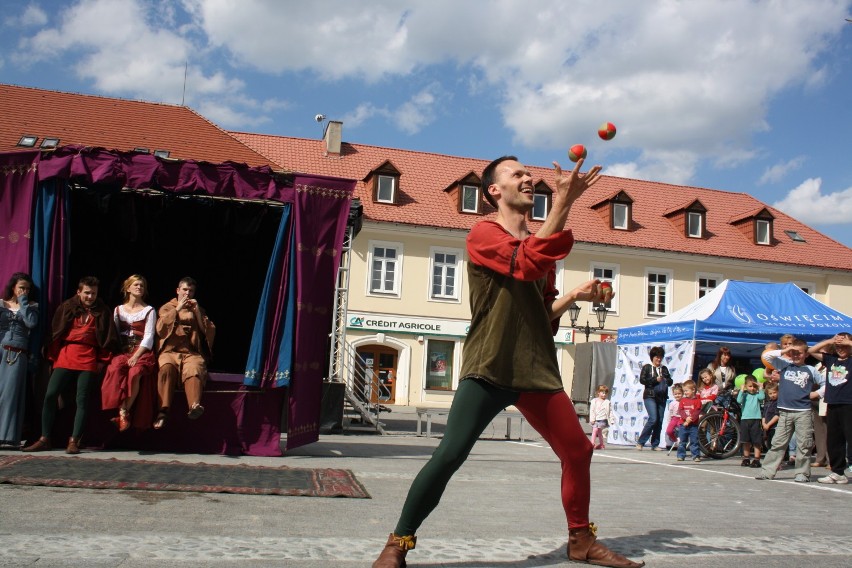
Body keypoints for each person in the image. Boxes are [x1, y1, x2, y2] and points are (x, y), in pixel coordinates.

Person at [371, 155, 643, 568]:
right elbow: (525, 262)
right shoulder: (483, 232)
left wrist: (573, 297)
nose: (529, 178)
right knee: (450, 455)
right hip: (490, 364)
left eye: (529, 174)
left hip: (536, 369)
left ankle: (580, 541)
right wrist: (564, 203)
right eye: (517, 174)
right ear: (494, 191)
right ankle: (397, 542)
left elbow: (540, 309)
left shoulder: (541, 244)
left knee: (578, 451)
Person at [23, 276, 117, 454]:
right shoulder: (67, 307)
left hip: (88, 356)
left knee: (81, 400)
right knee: (50, 395)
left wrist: (101, 361)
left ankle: (74, 440)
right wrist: (54, 356)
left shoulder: (103, 311)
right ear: (79, 292)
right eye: (87, 293)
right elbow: (55, 331)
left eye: (94, 293)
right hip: (66, 355)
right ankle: (45, 438)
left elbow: (108, 338)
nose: (90, 297)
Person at [755, 339, 823, 482]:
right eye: (793, 353)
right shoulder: (784, 364)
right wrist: (785, 351)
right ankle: (767, 471)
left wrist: (817, 394)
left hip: (803, 411)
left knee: (804, 444)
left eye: (799, 353)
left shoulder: (811, 370)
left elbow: (825, 383)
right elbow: (766, 356)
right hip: (784, 412)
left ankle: (802, 473)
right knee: (778, 443)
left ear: (806, 354)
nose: (796, 355)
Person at [155, 277, 216, 429]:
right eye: (185, 290)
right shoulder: (168, 307)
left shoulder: (198, 310)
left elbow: (208, 331)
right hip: (171, 351)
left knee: (195, 369)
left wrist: (196, 312)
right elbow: (160, 329)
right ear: (178, 290)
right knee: (166, 368)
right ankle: (163, 411)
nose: (187, 293)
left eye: (191, 291)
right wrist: (177, 310)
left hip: (190, 353)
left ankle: (194, 406)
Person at [100, 275, 157, 432]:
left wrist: (136, 356)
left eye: (142, 286)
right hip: (124, 351)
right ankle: (120, 411)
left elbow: (149, 336)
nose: (139, 287)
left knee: (135, 372)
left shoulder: (149, 310)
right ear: (128, 288)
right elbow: (116, 334)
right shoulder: (118, 310)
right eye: (136, 285)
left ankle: (124, 412)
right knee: (114, 370)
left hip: (141, 352)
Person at [0, 273, 39, 449]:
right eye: (21, 287)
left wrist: (23, 301)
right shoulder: (2, 304)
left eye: (27, 288)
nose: (24, 291)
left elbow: (31, 323)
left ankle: (7, 436)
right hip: (1, 349)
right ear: (13, 287)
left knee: (10, 395)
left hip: (16, 354)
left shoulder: (31, 307)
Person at [808, 333, 852, 484]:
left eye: (844, 346)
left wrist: (848, 342)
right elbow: (811, 351)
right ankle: (837, 471)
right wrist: (831, 341)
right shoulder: (831, 359)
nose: (841, 349)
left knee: (850, 438)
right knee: (834, 440)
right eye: (838, 347)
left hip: (849, 403)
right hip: (833, 403)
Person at [635, 346, 672, 451]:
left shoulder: (664, 369)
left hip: (662, 397)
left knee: (659, 420)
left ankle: (655, 444)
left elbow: (670, 381)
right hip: (650, 396)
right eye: (657, 357)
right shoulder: (647, 367)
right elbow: (643, 380)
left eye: (660, 357)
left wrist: (667, 379)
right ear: (652, 357)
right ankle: (641, 442)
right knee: (653, 418)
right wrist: (655, 379)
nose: (659, 359)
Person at [737, 376, 766, 468]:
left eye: (754, 386)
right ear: (746, 386)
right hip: (745, 419)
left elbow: (762, 397)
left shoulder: (757, 395)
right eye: (750, 386)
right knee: (746, 441)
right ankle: (746, 458)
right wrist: (741, 390)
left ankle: (757, 459)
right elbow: (739, 400)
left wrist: (760, 388)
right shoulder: (745, 395)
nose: (752, 388)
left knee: (756, 441)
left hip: (756, 419)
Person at [676, 379, 702, 462]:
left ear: (693, 390)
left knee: (694, 441)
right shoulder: (683, 400)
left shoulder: (697, 401)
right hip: (683, 425)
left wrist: (689, 420)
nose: (685, 393)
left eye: (686, 391)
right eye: (684, 391)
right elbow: (681, 410)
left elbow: (696, 412)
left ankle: (696, 455)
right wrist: (685, 419)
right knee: (682, 441)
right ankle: (681, 455)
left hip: (693, 425)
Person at [588, 384, 615, 450]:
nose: (604, 394)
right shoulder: (595, 401)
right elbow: (592, 410)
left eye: (605, 393)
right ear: (598, 392)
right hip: (596, 419)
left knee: (599, 431)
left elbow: (610, 411)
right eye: (602, 393)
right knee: (596, 430)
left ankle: (601, 444)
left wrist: (612, 420)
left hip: (602, 419)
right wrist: (592, 419)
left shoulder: (607, 402)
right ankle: (593, 443)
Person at [664, 383, 684, 450]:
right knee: (669, 431)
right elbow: (670, 413)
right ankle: (675, 440)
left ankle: (682, 442)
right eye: (675, 394)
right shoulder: (672, 403)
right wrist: (669, 422)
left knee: (682, 430)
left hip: (681, 418)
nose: (677, 395)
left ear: (682, 393)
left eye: (679, 394)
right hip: (674, 418)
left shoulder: (684, 402)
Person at [762, 382, 779, 450]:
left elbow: (777, 415)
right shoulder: (768, 403)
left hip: (775, 427)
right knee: (769, 444)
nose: (772, 395)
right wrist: (763, 424)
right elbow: (764, 415)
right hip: (768, 428)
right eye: (770, 393)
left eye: (774, 392)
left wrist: (768, 424)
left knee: (775, 444)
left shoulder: (778, 402)